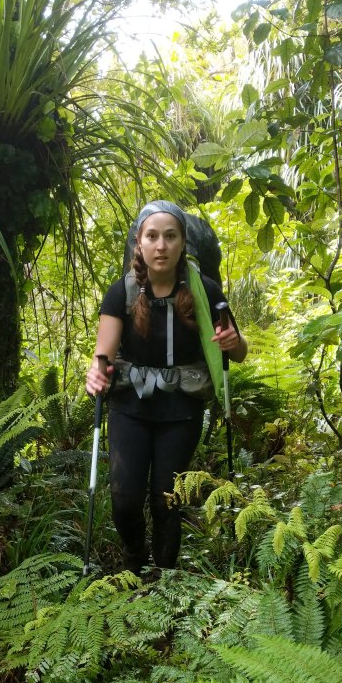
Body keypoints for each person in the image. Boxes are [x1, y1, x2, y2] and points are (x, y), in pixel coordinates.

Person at [85, 200, 247, 573]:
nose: (161, 246)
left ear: (183, 243)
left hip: (181, 409)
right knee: (124, 498)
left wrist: (232, 341)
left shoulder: (206, 291)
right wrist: (96, 373)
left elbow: (238, 352)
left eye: (170, 237)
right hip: (130, 407)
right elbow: (103, 355)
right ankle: (134, 560)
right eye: (153, 236)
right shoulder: (121, 292)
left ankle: (163, 578)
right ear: (139, 243)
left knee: (167, 500)